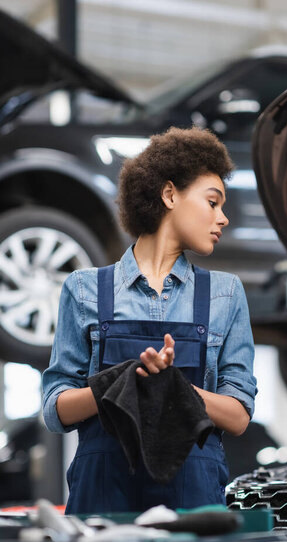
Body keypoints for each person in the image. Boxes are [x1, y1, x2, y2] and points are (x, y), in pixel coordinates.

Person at [42, 126, 257, 514]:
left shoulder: (225, 294)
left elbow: (239, 416)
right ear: (170, 194)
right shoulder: (84, 288)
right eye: (213, 202)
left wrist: (171, 387)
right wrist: (122, 381)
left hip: (192, 495)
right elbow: (55, 411)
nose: (222, 218)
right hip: (102, 494)